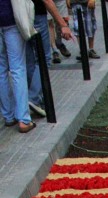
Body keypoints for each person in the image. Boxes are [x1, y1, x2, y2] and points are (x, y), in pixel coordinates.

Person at [26, 0, 74, 116]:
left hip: (18, 18)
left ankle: (37, 100)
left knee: (29, 61)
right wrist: (63, 24)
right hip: (36, 15)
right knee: (44, 59)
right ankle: (34, 98)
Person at [0, 0, 34, 131]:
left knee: (1, 70)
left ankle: (8, 116)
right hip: (11, 18)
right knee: (17, 69)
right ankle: (24, 119)